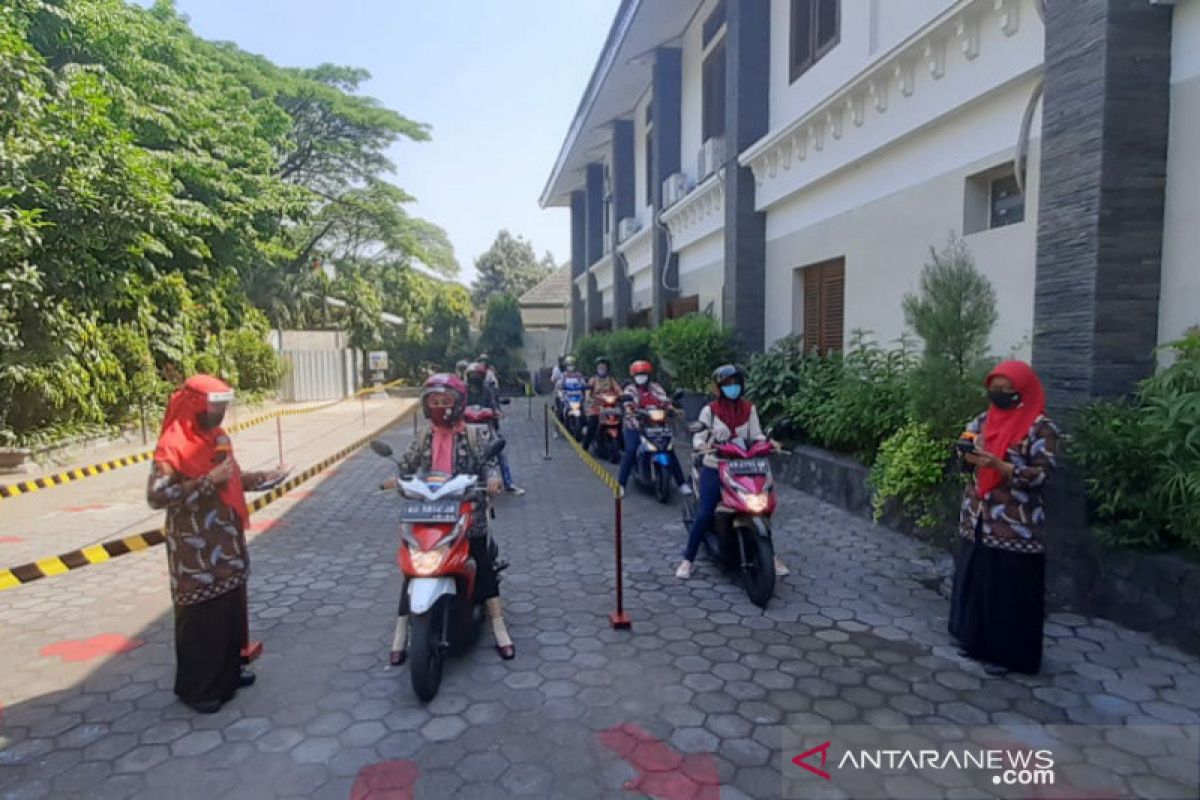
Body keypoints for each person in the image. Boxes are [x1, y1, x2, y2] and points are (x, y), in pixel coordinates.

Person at [147, 375, 288, 714]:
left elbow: (231, 477)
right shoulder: (172, 446)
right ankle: (200, 690)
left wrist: (264, 478)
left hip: (226, 547)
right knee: (202, 620)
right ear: (195, 406)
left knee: (228, 613)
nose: (221, 412)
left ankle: (229, 674)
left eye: (224, 405)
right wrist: (207, 481)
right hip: (195, 553)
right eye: (215, 406)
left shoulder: (217, 438)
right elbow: (157, 496)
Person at [389, 373, 515, 662]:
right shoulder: (424, 435)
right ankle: (401, 629)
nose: (439, 407)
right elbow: (406, 464)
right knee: (412, 564)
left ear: (458, 404)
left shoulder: (473, 434)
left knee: (481, 559)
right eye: (434, 401)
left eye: (444, 401)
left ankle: (499, 626)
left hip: (466, 509)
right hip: (429, 511)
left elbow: (489, 463)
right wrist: (396, 477)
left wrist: (493, 479)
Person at [949, 361, 1059, 676]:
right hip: (978, 517)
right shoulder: (982, 420)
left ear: (1022, 391)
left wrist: (1000, 466)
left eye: (1006, 390)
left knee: (1009, 590)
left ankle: (1008, 656)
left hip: (1016, 525)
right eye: (993, 389)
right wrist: (965, 454)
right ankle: (972, 641)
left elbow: (1042, 475)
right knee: (979, 582)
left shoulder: (1041, 427)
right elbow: (964, 457)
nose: (998, 394)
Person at [677, 365, 789, 580]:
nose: (733, 387)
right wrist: (703, 446)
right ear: (719, 388)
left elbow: (756, 435)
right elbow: (699, 438)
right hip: (716, 465)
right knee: (706, 511)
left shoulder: (749, 409)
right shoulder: (709, 411)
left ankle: (771, 555)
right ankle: (688, 559)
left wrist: (769, 443)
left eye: (736, 383)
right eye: (727, 384)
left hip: (745, 465)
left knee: (762, 506)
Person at [617, 360, 692, 496]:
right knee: (631, 450)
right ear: (633, 376)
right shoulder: (630, 389)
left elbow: (665, 400)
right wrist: (629, 409)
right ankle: (621, 484)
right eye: (638, 375)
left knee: (669, 450)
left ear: (649, 375)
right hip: (635, 424)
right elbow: (628, 402)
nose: (641, 378)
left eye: (644, 374)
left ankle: (681, 483)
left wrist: (672, 409)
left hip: (657, 425)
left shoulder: (656, 388)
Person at [465, 362, 525, 495]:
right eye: (472, 375)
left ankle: (509, 483)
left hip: (486, 427)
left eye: (477, 375)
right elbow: (457, 406)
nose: (474, 378)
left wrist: (496, 411)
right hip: (466, 428)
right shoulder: (463, 391)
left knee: (501, 453)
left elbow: (493, 404)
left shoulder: (487, 391)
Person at [581, 356, 623, 452]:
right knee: (592, 424)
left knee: (621, 422)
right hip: (596, 406)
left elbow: (618, 390)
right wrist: (588, 397)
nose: (602, 369)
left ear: (607, 368)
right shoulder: (593, 379)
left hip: (610, 407)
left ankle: (621, 445)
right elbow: (588, 390)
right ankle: (585, 446)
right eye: (600, 367)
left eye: (604, 367)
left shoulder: (611, 380)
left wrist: (623, 396)